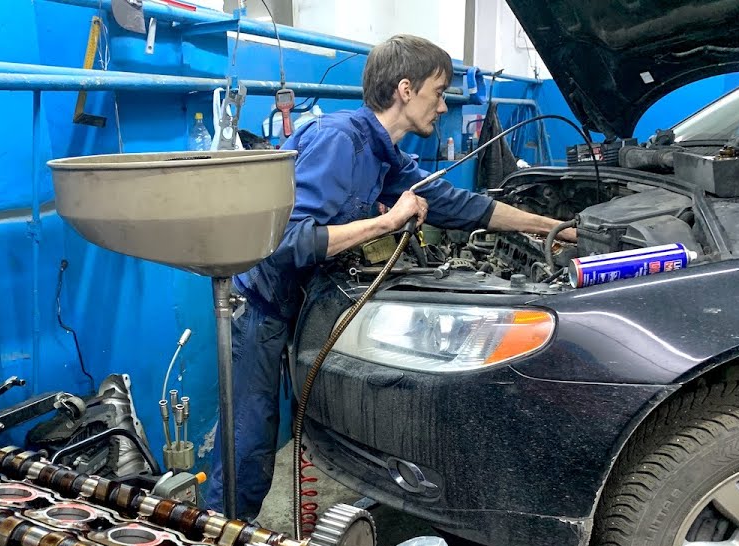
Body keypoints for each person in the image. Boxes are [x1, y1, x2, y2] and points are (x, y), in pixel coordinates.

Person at [201, 34, 575, 520]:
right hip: (260, 306)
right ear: (405, 89)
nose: (443, 106)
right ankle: (219, 537)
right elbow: (286, 241)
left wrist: (552, 227)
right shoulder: (339, 141)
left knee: (267, 433)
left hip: (294, 304)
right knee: (249, 440)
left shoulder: (384, 154)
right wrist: (386, 223)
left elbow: (458, 205)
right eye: (438, 92)